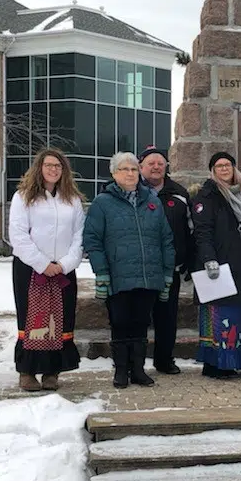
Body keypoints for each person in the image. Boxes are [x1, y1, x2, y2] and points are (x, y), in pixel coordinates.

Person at [83, 151, 175, 389]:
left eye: (134, 169)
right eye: (125, 169)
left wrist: (166, 273)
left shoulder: (153, 201)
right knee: (120, 323)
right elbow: (93, 240)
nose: (130, 173)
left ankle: (138, 370)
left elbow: (166, 239)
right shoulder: (103, 203)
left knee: (141, 324)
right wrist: (101, 272)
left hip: (148, 276)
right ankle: (121, 370)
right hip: (118, 276)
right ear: (114, 174)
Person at [9, 149, 85, 392]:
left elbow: (78, 236)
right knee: (33, 319)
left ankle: (53, 371)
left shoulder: (71, 199)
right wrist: (42, 264)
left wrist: (64, 264)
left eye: (58, 166)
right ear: (39, 168)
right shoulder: (23, 197)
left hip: (63, 268)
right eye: (49, 165)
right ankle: (27, 371)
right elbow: (18, 236)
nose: (54, 169)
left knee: (61, 319)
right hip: (31, 269)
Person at [191, 151, 241, 379]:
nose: (224, 169)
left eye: (228, 165)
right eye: (219, 166)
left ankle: (229, 361)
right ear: (213, 171)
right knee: (216, 314)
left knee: (235, 314)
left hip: (238, 263)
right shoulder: (207, 196)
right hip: (217, 264)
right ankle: (214, 362)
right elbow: (202, 232)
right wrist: (209, 259)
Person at [138, 146, 193, 375]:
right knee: (138, 317)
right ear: (141, 167)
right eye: (151, 163)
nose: (156, 167)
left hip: (169, 269)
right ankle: (134, 363)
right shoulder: (131, 191)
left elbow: (190, 230)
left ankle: (164, 360)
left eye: (160, 163)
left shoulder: (179, 193)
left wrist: (188, 260)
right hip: (138, 268)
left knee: (167, 317)